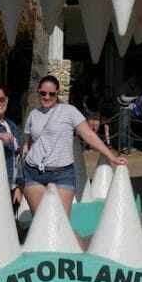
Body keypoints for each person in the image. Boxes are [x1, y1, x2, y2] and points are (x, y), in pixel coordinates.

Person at [23, 74, 126, 215]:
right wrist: (25, 152)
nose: (47, 97)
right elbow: (31, 141)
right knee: (40, 221)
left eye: (52, 94)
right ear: (39, 92)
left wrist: (112, 157)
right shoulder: (34, 114)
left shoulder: (69, 111)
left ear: (58, 93)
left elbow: (89, 135)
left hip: (61, 174)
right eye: (43, 93)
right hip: (33, 172)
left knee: (61, 223)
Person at [114, 75, 142, 154]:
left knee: (133, 127)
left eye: (134, 79)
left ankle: (131, 145)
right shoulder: (123, 86)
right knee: (124, 127)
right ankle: (123, 145)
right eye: (131, 79)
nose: (133, 80)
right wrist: (134, 98)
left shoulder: (137, 87)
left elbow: (140, 98)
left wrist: (135, 99)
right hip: (125, 109)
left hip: (134, 109)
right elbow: (123, 98)